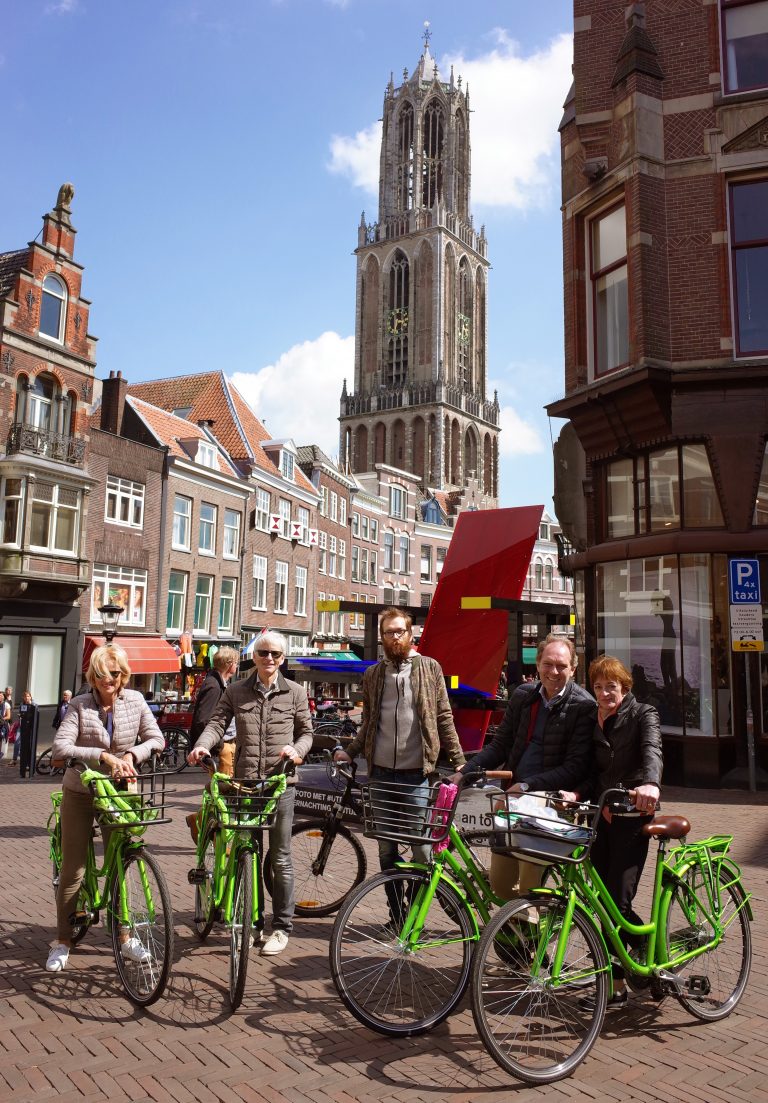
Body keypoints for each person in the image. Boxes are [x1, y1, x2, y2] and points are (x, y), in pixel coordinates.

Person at [187, 630, 313, 956]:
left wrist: (297, 751)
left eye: (275, 654)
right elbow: (216, 724)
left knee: (280, 857)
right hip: (245, 784)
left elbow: (307, 733)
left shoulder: (296, 693)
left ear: (282, 659)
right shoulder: (236, 690)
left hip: (280, 784)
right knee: (248, 851)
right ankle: (252, 921)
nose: (269, 658)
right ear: (253, 657)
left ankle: (282, 927)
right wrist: (203, 746)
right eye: (263, 652)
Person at [46, 644, 165, 973]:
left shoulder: (136, 701)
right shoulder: (80, 705)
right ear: (93, 677)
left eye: (114, 673)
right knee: (74, 869)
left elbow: (157, 739)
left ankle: (125, 937)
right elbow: (60, 746)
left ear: (123, 674)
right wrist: (101, 756)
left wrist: (131, 755)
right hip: (82, 789)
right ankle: (63, 940)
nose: (108, 679)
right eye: (101, 674)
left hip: (120, 792)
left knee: (122, 865)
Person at [451, 634, 595, 900]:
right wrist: (463, 773)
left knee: (530, 887)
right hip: (513, 796)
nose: (554, 671)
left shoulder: (584, 706)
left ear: (573, 669)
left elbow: (576, 767)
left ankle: (534, 934)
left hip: (550, 801)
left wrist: (529, 786)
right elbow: (500, 746)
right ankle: (513, 934)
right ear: (538, 664)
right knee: (501, 885)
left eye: (562, 666)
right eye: (548, 664)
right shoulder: (524, 696)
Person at [561, 655, 662, 1012]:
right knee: (603, 904)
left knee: (617, 902)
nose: (605, 693)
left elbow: (652, 751)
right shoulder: (592, 718)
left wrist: (650, 783)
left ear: (625, 687)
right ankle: (623, 979)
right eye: (599, 687)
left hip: (633, 815)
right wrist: (577, 794)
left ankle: (645, 955)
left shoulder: (643, 714)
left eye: (612, 686)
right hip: (600, 816)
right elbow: (591, 770)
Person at [334, 607, 466, 871]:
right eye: (389, 632)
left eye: (399, 631)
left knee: (421, 849)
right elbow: (369, 721)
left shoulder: (430, 667)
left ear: (410, 633)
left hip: (416, 775)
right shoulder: (373, 674)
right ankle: (396, 911)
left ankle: (415, 903)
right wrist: (351, 751)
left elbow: (443, 717)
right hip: (380, 774)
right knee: (386, 849)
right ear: (382, 636)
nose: (395, 637)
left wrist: (459, 760)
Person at [185, 645, 239, 839]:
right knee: (224, 792)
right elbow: (203, 718)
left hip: (226, 744)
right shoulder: (213, 686)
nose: (237, 666)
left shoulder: (218, 683)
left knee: (223, 791)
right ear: (230, 664)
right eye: (236, 662)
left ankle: (198, 820)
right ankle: (217, 837)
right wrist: (216, 747)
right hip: (221, 747)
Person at [17, 691, 37, 778]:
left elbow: (35, 715)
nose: (27, 698)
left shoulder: (34, 706)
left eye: (28, 696)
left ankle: (31, 766)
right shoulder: (22, 706)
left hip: (32, 730)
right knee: (24, 748)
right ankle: (23, 769)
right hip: (24, 729)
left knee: (30, 748)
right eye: (25, 697)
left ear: (30, 697)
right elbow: (22, 715)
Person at [1, 686, 12, 760]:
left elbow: (8, 716)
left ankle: (2, 753)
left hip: (3, 723)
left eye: (1, 696)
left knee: (2, 739)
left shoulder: (6, 704)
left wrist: (2, 719)